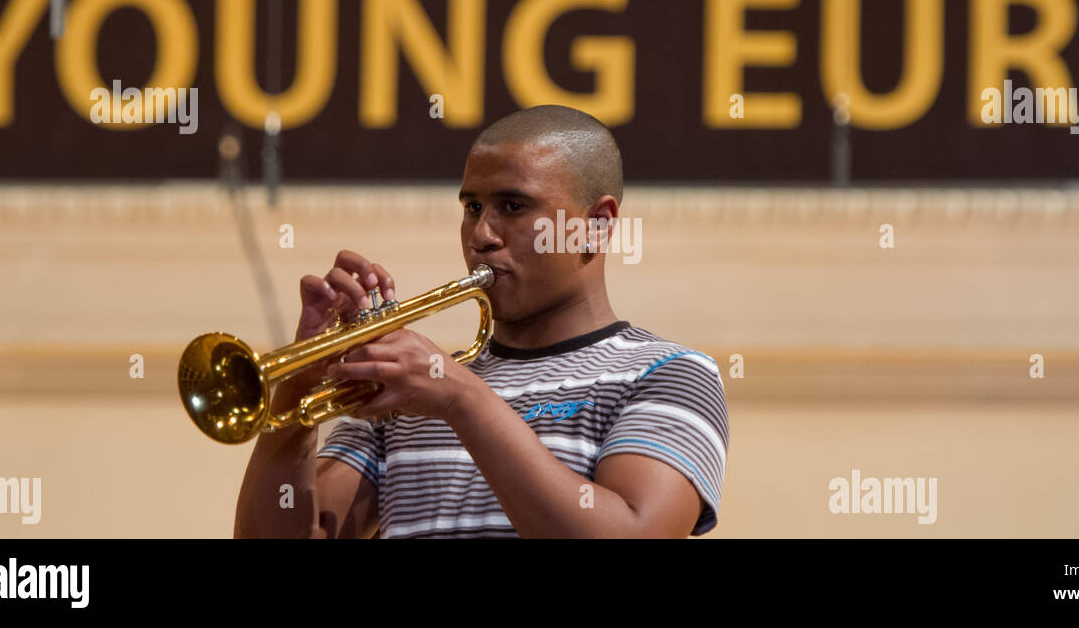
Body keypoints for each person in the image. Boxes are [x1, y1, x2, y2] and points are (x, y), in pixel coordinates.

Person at [233, 104, 728, 538]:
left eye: (513, 206)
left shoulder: (670, 374)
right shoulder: (410, 392)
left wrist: (461, 398)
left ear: (593, 226)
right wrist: (298, 387)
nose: (482, 235)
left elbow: (631, 535)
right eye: (472, 207)